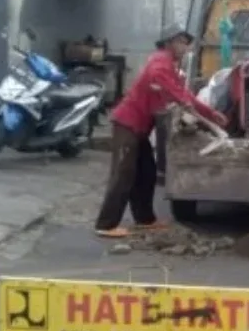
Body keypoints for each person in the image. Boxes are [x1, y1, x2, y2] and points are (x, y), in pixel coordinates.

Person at [95, 24, 227, 239]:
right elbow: (178, 94)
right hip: (127, 124)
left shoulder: (170, 66)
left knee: (146, 172)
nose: (185, 47)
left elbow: (184, 94)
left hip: (140, 128)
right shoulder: (160, 62)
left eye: (186, 43)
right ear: (169, 43)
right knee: (123, 174)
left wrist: (211, 113)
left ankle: (145, 219)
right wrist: (205, 117)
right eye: (181, 43)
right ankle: (105, 224)